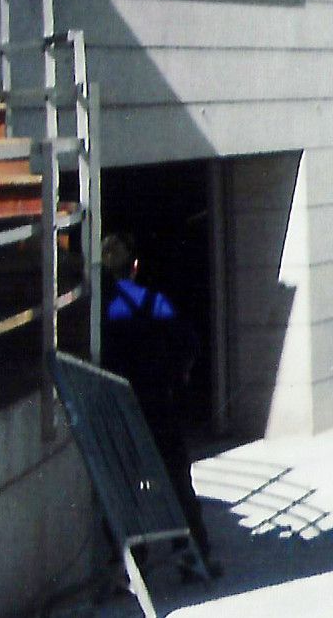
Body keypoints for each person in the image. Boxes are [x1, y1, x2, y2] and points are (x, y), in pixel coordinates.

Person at [100, 233, 220, 577]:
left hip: (118, 409)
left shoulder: (103, 313)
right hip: (157, 404)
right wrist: (178, 376)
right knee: (177, 481)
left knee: (124, 484)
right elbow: (188, 343)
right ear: (135, 267)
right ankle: (191, 552)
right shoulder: (155, 303)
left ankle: (131, 558)